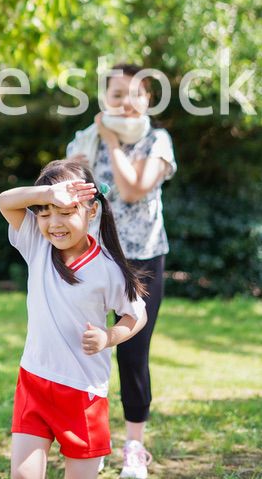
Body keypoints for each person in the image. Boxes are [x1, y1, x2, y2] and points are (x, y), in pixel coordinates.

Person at [0, 158, 148, 479]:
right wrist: (49, 194)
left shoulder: (108, 269)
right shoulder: (36, 243)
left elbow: (136, 316)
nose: (54, 223)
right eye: (45, 213)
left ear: (91, 211)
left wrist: (108, 337)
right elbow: (5, 201)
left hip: (83, 394)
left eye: (66, 212)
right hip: (34, 381)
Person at [67, 63, 177, 479]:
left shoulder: (156, 141)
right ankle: (86, 439)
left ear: (148, 99)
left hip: (142, 261)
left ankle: (134, 447)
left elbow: (132, 189)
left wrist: (112, 141)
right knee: (83, 347)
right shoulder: (85, 139)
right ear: (104, 100)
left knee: (132, 352)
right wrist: (71, 166)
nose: (126, 102)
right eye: (117, 94)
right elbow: (64, 193)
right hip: (92, 258)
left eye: (135, 94)